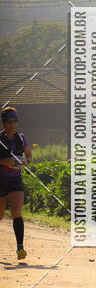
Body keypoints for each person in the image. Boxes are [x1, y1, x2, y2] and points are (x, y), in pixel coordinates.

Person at [0, 106, 33, 261]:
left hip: (15, 179)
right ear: (4, 123)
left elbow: (28, 154)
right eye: (9, 121)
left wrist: (27, 161)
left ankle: (20, 247)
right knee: (0, 215)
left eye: (15, 121)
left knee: (16, 212)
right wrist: (4, 161)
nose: (12, 124)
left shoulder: (21, 138)